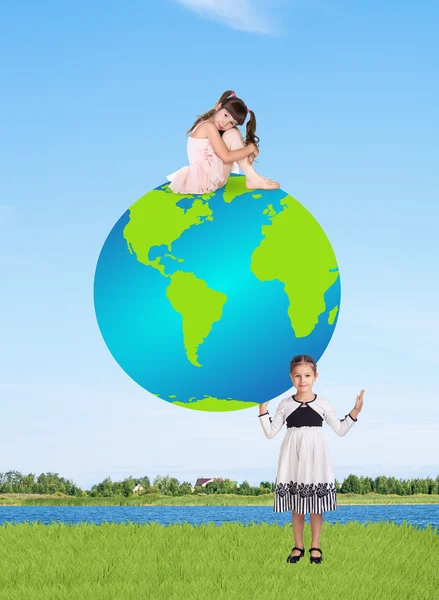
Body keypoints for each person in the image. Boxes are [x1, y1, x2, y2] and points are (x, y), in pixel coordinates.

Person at [258, 354, 364, 565]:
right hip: (292, 457)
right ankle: (298, 545)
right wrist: (262, 409)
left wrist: (354, 411)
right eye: (297, 376)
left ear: (315, 376)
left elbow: (340, 429)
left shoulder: (323, 403)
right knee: (297, 505)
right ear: (291, 377)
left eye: (307, 375)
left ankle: (315, 545)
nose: (302, 380)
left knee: (316, 505)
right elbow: (270, 432)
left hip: (316, 457)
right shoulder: (285, 404)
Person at [167, 90, 280, 195]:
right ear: (219, 106)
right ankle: (252, 178)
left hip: (208, 176)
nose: (225, 123)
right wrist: (251, 148)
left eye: (232, 122)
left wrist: (250, 149)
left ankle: (253, 177)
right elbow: (226, 157)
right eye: (226, 115)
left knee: (233, 132)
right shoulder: (208, 126)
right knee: (232, 134)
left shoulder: (208, 123)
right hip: (207, 180)